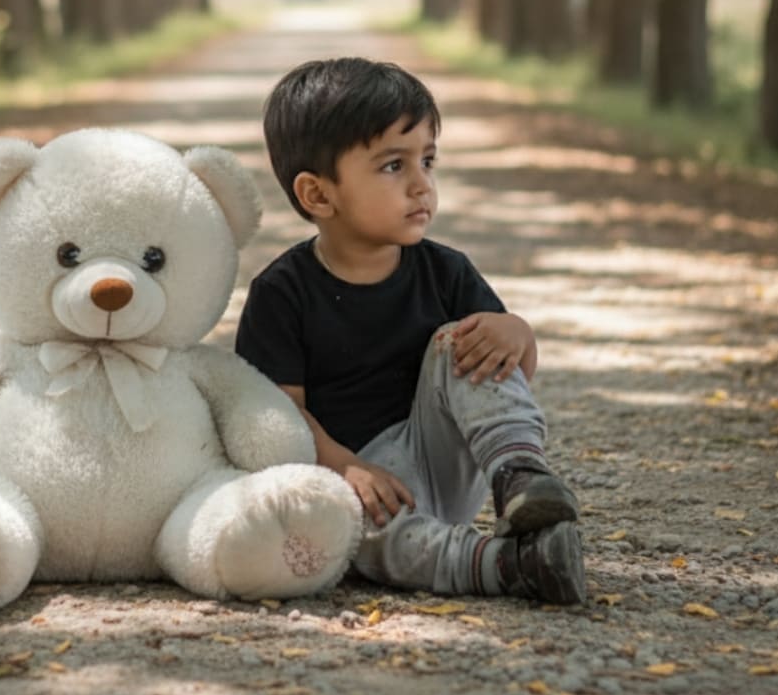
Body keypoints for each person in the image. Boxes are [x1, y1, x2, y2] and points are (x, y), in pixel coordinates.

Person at [235, 57, 585, 604]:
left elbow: (505, 374)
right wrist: (347, 468)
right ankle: (510, 565)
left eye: (427, 160)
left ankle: (521, 478)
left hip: (443, 453)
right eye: (393, 167)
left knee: (465, 339)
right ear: (318, 195)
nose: (422, 185)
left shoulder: (447, 272)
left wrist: (517, 333)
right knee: (344, 528)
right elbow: (278, 416)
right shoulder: (282, 293)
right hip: (358, 477)